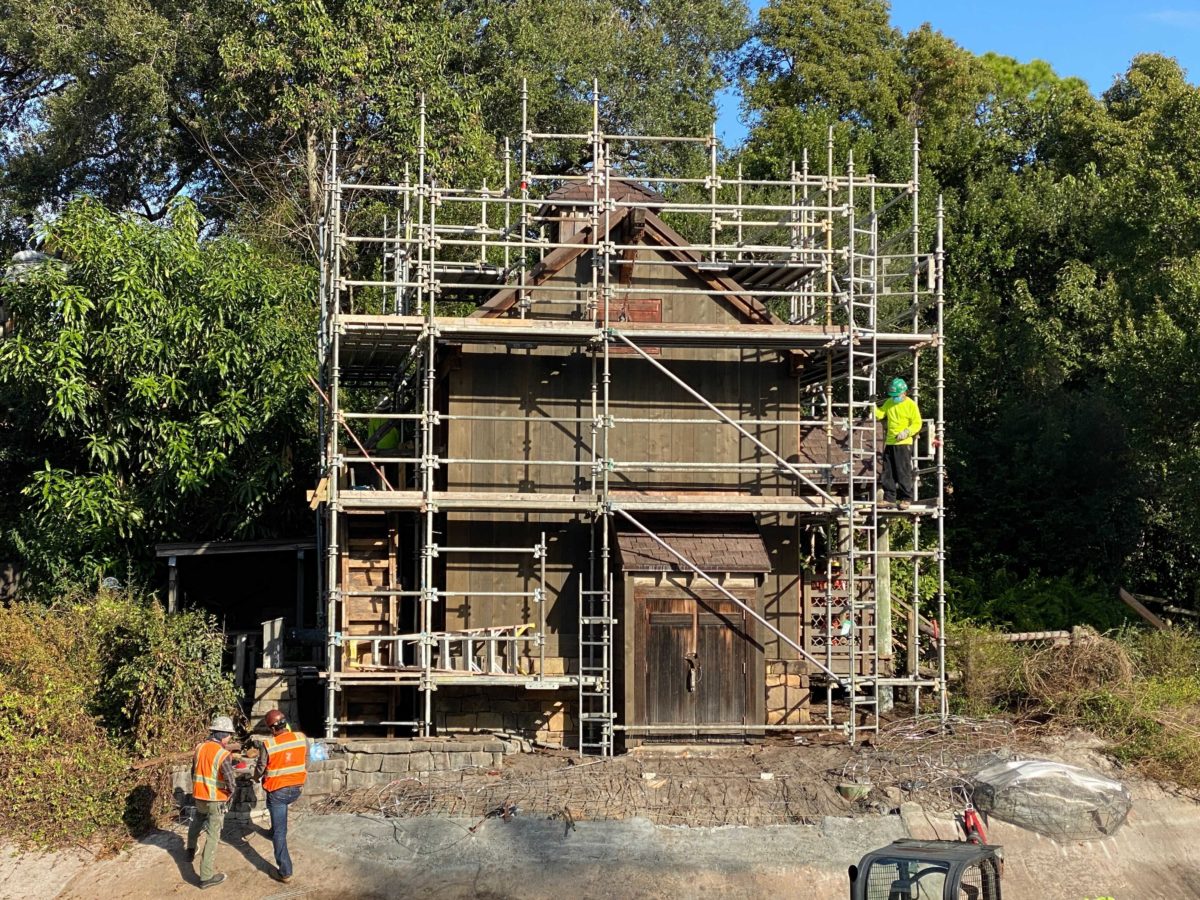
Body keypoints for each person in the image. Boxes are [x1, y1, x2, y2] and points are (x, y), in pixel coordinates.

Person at [255, 709, 308, 884]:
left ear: (271, 728)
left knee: (280, 832)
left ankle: (285, 872)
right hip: (297, 788)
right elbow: (304, 760)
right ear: (285, 723)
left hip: (278, 792)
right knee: (278, 820)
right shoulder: (301, 738)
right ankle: (273, 830)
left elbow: (261, 767)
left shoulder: (268, 745)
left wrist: (254, 777)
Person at [187, 715, 237, 889]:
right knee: (213, 836)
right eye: (229, 734)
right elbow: (231, 782)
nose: (230, 737)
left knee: (197, 821)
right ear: (223, 735)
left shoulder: (199, 748)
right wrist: (230, 794)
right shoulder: (223, 754)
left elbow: (194, 771)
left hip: (199, 795)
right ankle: (206, 877)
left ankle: (190, 851)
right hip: (215, 799)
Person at [874, 377, 922, 509]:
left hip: (903, 442)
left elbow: (917, 423)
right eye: (893, 395)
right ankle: (889, 498)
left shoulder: (910, 405)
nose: (895, 398)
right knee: (888, 471)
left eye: (897, 395)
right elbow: (880, 414)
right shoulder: (890, 402)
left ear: (904, 393)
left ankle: (906, 499)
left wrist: (906, 432)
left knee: (903, 471)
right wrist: (872, 406)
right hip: (890, 442)